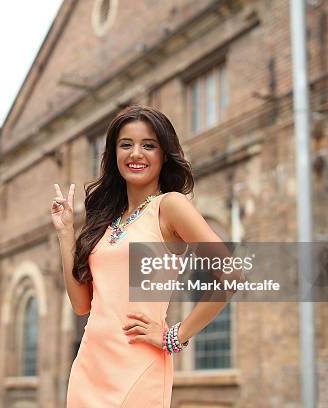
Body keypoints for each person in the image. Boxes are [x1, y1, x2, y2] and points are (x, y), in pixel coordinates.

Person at [50, 105, 230, 407]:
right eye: (126, 145)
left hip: (138, 366)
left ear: (164, 154)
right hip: (89, 368)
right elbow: (82, 304)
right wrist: (66, 233)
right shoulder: (107, 222)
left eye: (149, 145)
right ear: (114, 155)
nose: (136, 153)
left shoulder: (170, 206)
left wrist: (176, 335)